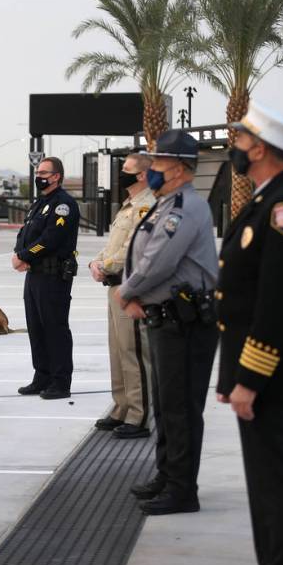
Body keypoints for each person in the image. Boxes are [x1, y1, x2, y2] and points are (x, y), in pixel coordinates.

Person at [217, 101, 283, 565]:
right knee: (263, 485)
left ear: (258, 147)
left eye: (238, 140)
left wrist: (250, 380)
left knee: (275, 484)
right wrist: (230, 376)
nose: (232, 147)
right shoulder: (264, 199)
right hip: (254, 373)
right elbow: (239, 299)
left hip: (269, 379)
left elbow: (276, 306)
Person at [117, 130, 219, 516]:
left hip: (185, 322)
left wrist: (127, 291)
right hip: (168, 319)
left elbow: (160, 259)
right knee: (165, 405)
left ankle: (182, 490)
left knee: (181, 409)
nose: (152, 169)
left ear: (177, 168)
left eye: (157, 163)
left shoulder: (184, 208)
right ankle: (168, 474)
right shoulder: (168, 203)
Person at [88, 153, 156, 439]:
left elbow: (132, 248)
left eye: (126, 170)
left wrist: (105, 266)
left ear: (141, 175)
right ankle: (122, 406)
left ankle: (139, 415)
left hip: (131, 287)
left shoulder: (146, 206)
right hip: (114, 285)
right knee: (117, 351)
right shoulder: (127, 206)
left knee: (133, 352)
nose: (120, 175)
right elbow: (113, 244)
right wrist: (96, 261)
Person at [12, 157, 80, 399]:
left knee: (54, 328)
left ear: (56, 176)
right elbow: (26, 232)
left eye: (43, 172)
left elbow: (51, 239)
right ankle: (42, 376)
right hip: (35, 275)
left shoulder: (64, 204)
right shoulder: (40, 203)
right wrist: (19, 253)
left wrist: (25, 256)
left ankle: (60, 382)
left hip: (53, 275)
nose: (38, 175)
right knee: (36, 328)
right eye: (37, 171)